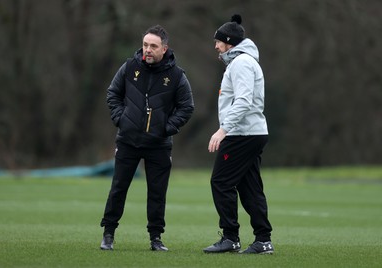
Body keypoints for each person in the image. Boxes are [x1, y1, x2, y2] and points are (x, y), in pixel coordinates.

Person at [100, 25, 194, 251]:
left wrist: (166, 128)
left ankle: (155, 238)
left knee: (157, 193)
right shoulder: (129, 67)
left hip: (159, 145)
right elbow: (113, 93)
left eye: (153, 46)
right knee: (118, 188)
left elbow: (187, 107)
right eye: (145, 45)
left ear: (164, 48)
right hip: (128, 141)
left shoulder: (177, 76)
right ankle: (108, 233)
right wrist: (121, 119)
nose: (148, 50)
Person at [203, 14, 274, 254]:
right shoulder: (242, 62)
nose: (215, 46)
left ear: (229, 42)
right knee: (249, 187)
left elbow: (243, 101)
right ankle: (263, 240)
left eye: (218, 42)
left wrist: (223, 130)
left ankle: (230, 237)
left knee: (220, 182)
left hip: (242, 135)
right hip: (251, 133)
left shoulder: (242, 63)